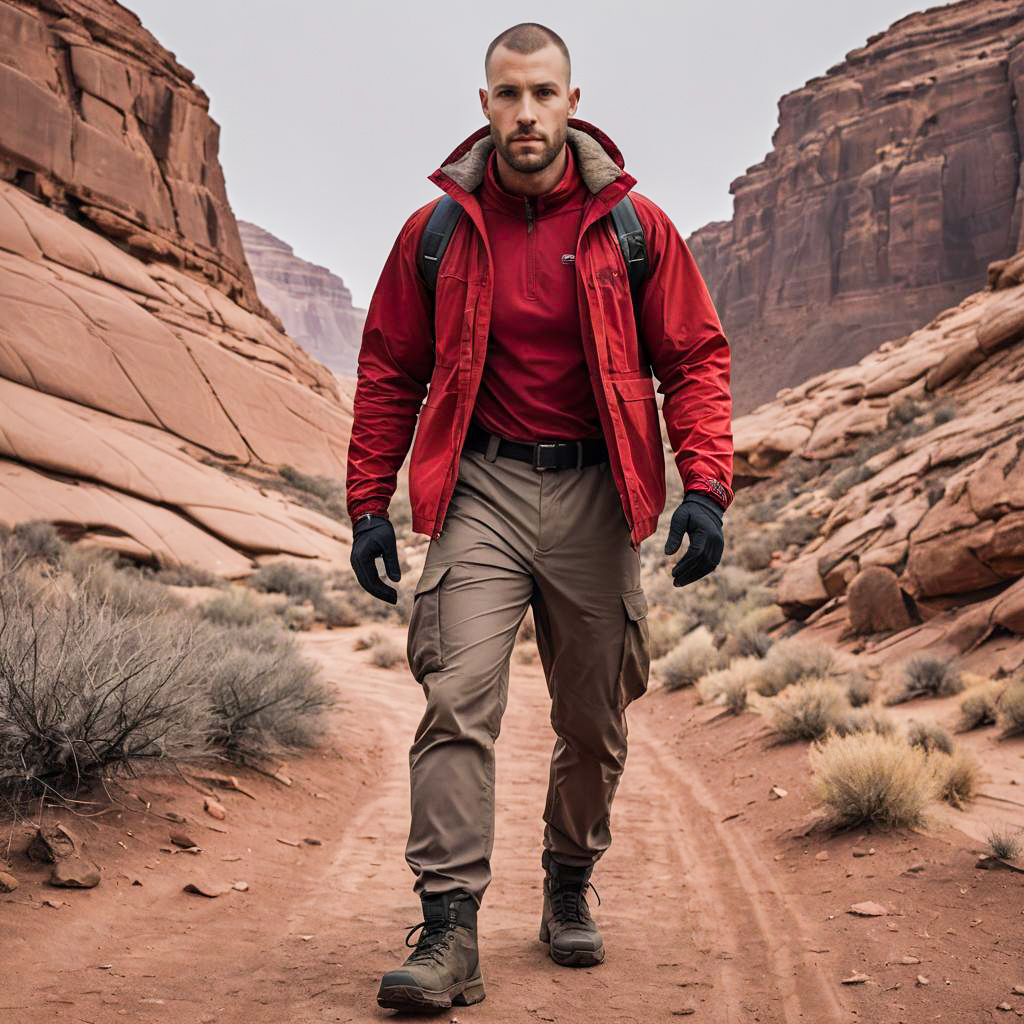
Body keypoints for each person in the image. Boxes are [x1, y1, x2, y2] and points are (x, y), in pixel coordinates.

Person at [345, 21, 733, 1012]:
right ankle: (447, 927)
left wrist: (705, 488)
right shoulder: (435, 232)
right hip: (480, 489)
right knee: (456, 698)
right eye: (508, 94)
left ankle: (567, 875)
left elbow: (693, 358)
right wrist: (368, 506)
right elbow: (390, 367)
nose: (525, 112)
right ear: (485, 105)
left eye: (543, 94)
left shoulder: (632, 226)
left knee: (595, 718)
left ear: (571, 100)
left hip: (598, 494)